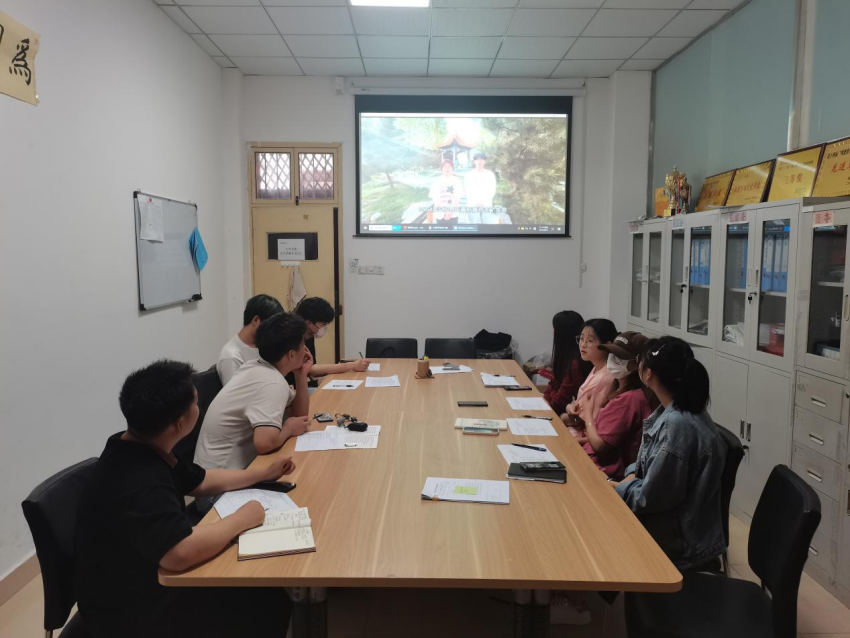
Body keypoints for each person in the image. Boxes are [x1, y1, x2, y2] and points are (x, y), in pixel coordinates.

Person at [75, 360, 295, 638]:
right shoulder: (141, 479)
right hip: (131, 612)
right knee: (267, 601)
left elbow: (201, 480)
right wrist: (242, 519)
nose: (199, 408)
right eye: (196, 403)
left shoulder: (134, 444)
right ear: (181, 423)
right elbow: (178, 554)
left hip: (131, 579)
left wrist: (262, 473)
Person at [615, 335, 726, 570]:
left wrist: (617, 487)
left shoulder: (678, 425)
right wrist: (629, 478)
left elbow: (649, 498)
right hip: (674, 527)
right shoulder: (675, 412)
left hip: (678, 547)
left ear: (648, 374)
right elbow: (649, 465)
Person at [195, 312, 312, 477]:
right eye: (303, 345)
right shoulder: (272, 382)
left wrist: (301, 375)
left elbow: (300, 416)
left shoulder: (256, 367)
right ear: (291, 354)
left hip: (214, 473)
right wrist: (288, 429)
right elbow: (264, 443)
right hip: (220, 480)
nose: (305, 351)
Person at [581, 332, 658, 479]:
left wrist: (588, 415)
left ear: (637, 363)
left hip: (603, 471)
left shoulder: (628, 399)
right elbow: (610, 435)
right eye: (611, 353)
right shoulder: (621, 388)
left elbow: (601, 446)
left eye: (620, 356)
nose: (612, 359)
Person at [287, 297, 368, 387]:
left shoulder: (309, 335)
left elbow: (312, 367)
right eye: (323, 325)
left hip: (300, 384)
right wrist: (351, 366)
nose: (322, 329)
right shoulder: (292, 337)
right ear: (308, 322)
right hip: (290, 387)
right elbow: (312, 370)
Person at [561, 318, 618, 434]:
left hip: (583, 436)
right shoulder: (598, 367)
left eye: (590, 341)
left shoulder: (604, 376)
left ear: (607, 345)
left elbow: (577, 419)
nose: (583, 345)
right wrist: (569, 407)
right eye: (581, 339)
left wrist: (563, 414)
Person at [217, 294, 283, 385]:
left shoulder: (262, 347)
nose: (273, 333)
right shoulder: (231, 357)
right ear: (256, 320)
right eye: (272, 327)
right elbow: (237, 393)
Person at [543, 311, 591, 416]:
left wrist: (549, 399)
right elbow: (552, 384)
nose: (552, 331)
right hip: (555, 410)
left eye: (554, 328)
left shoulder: (575, 365)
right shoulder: (564, 357)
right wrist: (547, 397)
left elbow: (560, 402)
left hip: (562, 415)